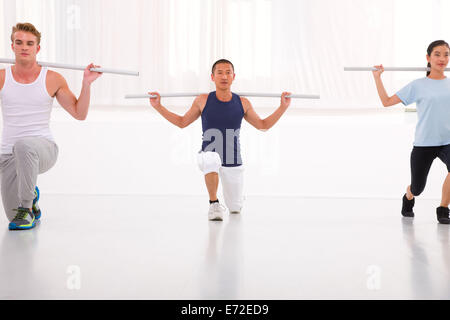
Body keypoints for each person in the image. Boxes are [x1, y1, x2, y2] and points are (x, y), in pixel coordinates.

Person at [149, 59, 291, 221]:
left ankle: (235, 200)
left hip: (233, 160)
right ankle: (214, 203)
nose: (224, 76)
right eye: (220, 73)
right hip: (208, 154)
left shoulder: (242, 103)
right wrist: (158, 106)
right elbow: (182, 122)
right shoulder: (203, 100)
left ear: (233, 76)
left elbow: (263, 125)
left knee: (235, 208)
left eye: (228, 72)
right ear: (212, 77)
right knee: (211, 157)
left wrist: (283, 107)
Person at [0, 22, 102, 230]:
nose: (24, 47)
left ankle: (26, 208)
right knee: (13, 218)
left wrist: (86, 84)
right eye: (19, 42)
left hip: (43, 149)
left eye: (30, 43)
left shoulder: (52, 78)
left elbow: (79, 113)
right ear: (12, 47)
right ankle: (32, 201)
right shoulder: (2, 77)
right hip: (7, 154)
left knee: (24, 146)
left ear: (37, 48)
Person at [372, 40, 450, 224]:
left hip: (447, 141)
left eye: (446, 54)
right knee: (418, 188)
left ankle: (443, 208)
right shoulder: (417, 85)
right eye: (437, 54)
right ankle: (408, 197)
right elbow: (387, 101)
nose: (442, 58)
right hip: (424, 144)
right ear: (428, 58)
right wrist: (377, 78)